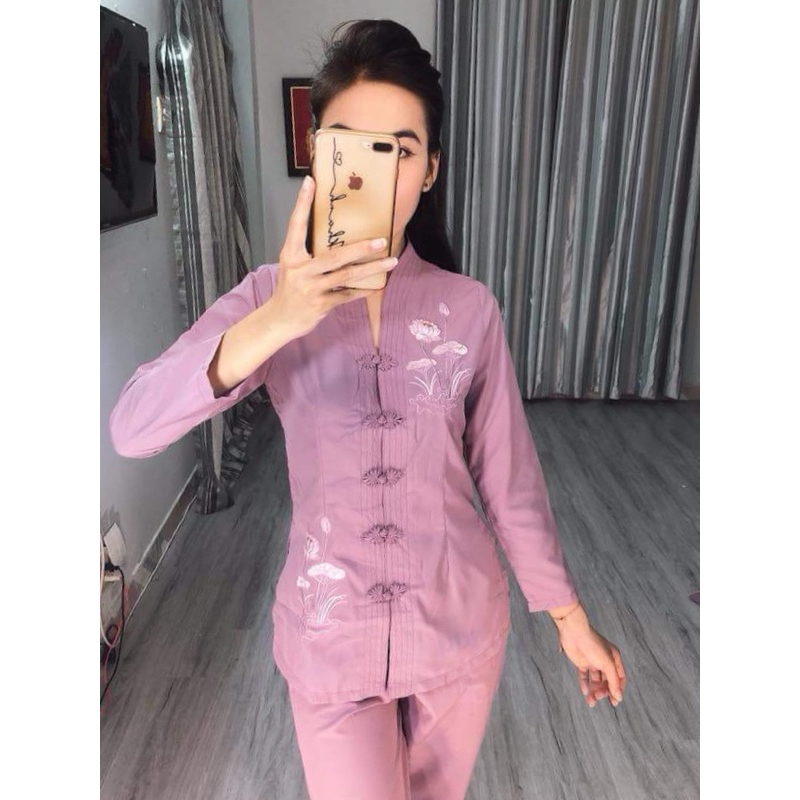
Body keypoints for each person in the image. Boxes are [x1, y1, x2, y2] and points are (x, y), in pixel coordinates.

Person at [109, 19, 626, 800]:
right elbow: (133, 426)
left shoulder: (469, 309)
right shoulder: (266, 299)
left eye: (401, 151)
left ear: (430, 168)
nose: (376, 176)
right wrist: (279, 319)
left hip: (459, 631)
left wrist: (568, 617)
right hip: (330, 639)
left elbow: (509, 480)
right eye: (351, 147)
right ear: (317, 152)